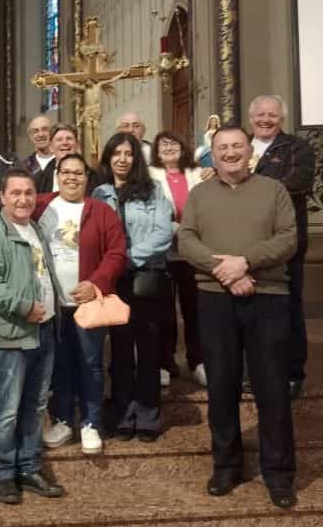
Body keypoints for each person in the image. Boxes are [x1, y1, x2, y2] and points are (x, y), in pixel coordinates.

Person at [178, 126, 299, 509]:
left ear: (250, 151)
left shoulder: (274, 191)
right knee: (222, 387)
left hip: (269, 299)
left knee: (272, 389)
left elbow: (287, 239)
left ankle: (279, 474)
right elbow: (187, 240)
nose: (229, 153)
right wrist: (226, 273)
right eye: (222, 148)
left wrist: (246, 263)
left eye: (236, 146)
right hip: (215, 299)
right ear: (211, 154)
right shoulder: (199, 194)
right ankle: (226, 466)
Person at [0, 168, 66, 505]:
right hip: (13, 334)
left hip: (44, 331)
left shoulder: (35, 228)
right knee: (7, 409)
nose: (23, 199)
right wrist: (25, 307)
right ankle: (3, 472)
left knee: (36, 405)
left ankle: (29, 466)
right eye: (16, 193)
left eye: (28, 193)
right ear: (2, 197)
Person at [35, 153, 126, 454]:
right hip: (51, 304)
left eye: (78, 173)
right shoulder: (40, 206)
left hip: (87, 304)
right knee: (59, 363)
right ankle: (62, 419)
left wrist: (96, 282)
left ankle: (91, 423)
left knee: (90, 363)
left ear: (87, 178)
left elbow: (116, 253)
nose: (71, 178)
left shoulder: (100, 212)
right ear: (56, 175)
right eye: (65, 172)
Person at [93, 133, 172, 442]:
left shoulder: (153, 190)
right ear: (108, 158)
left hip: (145, 277)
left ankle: (149, 415)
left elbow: (162, 234)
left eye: (128, 153)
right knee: (121, 348)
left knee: (149, 349)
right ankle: (123, 413)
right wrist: (110, 265)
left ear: (136, 158)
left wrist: (124, 258)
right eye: (117, 153)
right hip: (114, 281)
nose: (122, 159)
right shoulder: (100, 193)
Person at [249, 95, 315, 399]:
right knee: (252, 310)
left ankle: (292, 373)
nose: (265, 120)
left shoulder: (296, 147)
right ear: (251, 118)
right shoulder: (240, 146)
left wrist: (250, 184)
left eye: (271, 115)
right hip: (246, 244)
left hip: (286, 243)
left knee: (287, 307)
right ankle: (257, 371)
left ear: (281, 119)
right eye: (260, 115)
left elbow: (300, 181)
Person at [149, 131, 207, 388]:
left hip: (194, 251)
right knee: (163, 310)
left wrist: (189, 232)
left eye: (174, 143)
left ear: (183, 147)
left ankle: (198, 361)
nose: (169, 148)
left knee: (195, 309)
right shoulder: (149, 175)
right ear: (156, 151)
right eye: (163, 145)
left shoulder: (198, 173)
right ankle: (164, 362)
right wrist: (176, 229)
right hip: (164, 250)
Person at [34, 123, 100, 195]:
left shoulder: (94, 177)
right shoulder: (39, 180)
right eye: (59, 139)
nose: (65, 143)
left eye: (69, 138)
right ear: (51, 147)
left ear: (77, 144)